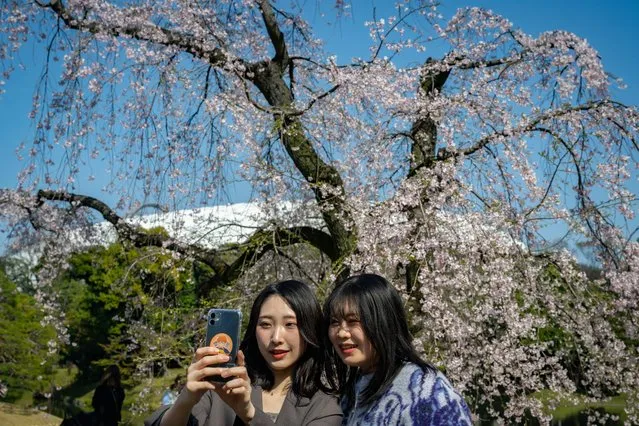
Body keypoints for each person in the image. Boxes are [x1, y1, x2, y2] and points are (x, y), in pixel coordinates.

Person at [145, 280, 342, 425]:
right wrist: (186, 399)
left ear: (309, 330)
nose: (276, 338)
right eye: (265, 324)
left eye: (290, 324)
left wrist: (249, 413)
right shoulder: (222, 387)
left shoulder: (324, 405)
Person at [324, 273, 473, 425]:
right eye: (334, 322)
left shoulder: (425, 390)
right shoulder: (353, 390)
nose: (341, 333)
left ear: (383, 322)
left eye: (353, 321)